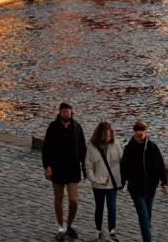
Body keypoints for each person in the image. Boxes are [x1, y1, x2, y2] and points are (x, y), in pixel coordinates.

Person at [42, 101, 86, 240]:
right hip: (57, 168)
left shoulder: (77, 128)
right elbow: (46, 148)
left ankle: (69, 225)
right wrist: (47, 166)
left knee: (74, 200)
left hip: (73, 169)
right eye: (63, 111)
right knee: (58, 199)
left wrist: (85, 167)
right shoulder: (53, 127)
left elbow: (83, 149)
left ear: (71, 113)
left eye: (68, 111)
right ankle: (61, 227)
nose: (66, 113)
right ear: (60, 112)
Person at [121, 120, 168, 242]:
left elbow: (161, 165)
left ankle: (146, 234)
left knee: (147, 216)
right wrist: (121, 182)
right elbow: (124, 167)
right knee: (143, 216)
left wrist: (164, 182)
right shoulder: (130, 148)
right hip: (136, 189)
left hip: (150, 188)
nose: (140, 133)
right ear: (134, 132)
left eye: (142, 130)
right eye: (137, 130)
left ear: (146, 132)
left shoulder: (152, 147)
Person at [85, 120, 122, 241]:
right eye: (104, 135)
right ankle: (98, 230)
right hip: (98, 184)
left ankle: (112, 231)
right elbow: (88, 167)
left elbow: (122, 160)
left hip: (112, 182)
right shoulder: (91, 147)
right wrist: (94, 179)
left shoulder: (115, 144)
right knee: (99, 207)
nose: (106, 138)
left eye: (108, 135)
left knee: (112, 207)